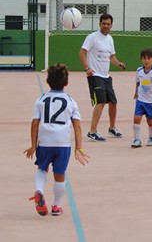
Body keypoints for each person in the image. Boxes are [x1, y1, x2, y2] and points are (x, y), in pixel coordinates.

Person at [24, 63, 90, 216]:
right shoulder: (70, 101)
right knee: (60, 174)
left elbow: (34, 123)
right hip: (62, 143)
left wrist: (33, 145)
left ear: (47, 81)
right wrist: (79, 148)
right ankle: (56, 206)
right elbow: (77, 125)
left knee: (42, 168)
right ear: (66, 83)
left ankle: (39, 190)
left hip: (45, 142)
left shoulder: (41, 100)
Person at [79, 14, 126, 141]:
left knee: (113, 102)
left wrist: (118, 63)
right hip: (95, 76)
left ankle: (112, 128)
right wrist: (87, 68)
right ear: (99, 24)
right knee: (100, 102)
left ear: (111, 25)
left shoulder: (110, 39)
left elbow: (111, 57)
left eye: (108, 24)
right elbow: (82, 53)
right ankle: (92, 131)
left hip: (106, 76)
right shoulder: (92, 37)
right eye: (104, 23)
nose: (106, 26)